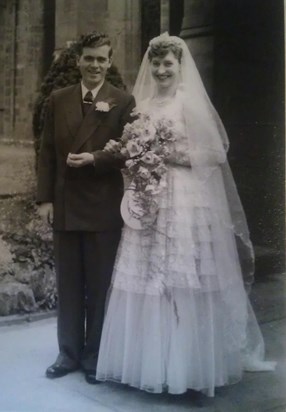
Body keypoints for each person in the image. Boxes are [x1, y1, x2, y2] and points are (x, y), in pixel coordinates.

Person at [96, 33, 275, 396]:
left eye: (168, 64)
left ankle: (188, 369)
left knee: (183, 276)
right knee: (147, 277)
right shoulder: (142, 104)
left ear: (180, 68)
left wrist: (167, 153)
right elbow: (134, 151)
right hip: (150, 198)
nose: (162, 70)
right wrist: (132, 154)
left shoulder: (188, 104)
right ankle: (150, 364)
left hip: (184, 200)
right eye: (157, 64)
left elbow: (214, 153)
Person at [36, 31, 135, 384]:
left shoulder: (122, 101)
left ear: (110, 62)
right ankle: (68, 354)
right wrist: (45, 200)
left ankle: (95, 356)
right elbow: (46, 152)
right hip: (65, 204)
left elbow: (128, 152)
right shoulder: (58, 99)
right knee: (69, 283)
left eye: (102, 59)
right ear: (78, 60)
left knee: (99, 283)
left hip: (102, 207)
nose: (95, 65)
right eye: (89, 58)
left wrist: (95, 157)